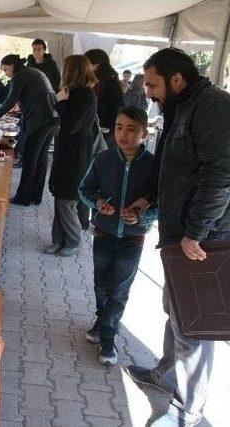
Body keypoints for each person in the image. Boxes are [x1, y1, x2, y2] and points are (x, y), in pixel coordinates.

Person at [123, 48, 230, 427]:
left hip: (202, 241)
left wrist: (195, 233)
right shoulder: (181, 108)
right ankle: (165, 376)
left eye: (153, 85)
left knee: (193, 325)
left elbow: (220, 178)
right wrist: (149, 197)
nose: (148, 92)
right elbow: (173, 164)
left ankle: (187, 409)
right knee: (175, 310)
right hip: (178, 236)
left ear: (177, 79)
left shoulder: (214, 107)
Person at [79, 106, 157, 366]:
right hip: (103, 233)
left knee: (119, 290)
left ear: (144, 133)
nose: (123, 135)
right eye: (119, 128)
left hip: (133, 240)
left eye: (132, 130)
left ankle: (108, 339)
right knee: (101, 284)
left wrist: (141, 217)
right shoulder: (103, 159)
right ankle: (101, 322)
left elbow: (161, 201)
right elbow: (84, 189)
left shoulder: (154, 166)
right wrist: (98, 203)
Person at [46, 55, 97, 257]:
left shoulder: (85, 94)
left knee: (67, 199)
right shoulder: (74, 92)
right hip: (67, 150)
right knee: (60, 196)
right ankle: (58, 240)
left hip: (76, 154)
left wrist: (61, 103)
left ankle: (74, 240)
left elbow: (70, 126)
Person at [0, 54, 58, 206]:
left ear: (12, 64)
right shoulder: (33, 72)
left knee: (29, 157)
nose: (5, 72)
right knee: (41, 158)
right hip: (51, 118)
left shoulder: (19, 76)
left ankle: (23, 197)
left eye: (5, 69)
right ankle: (36, 196)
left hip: (38, 120)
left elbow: (10, 100)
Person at [85, 49, 124, 149]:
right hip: (100, 130)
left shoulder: (110, 83)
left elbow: (116, 109)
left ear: (96, 65)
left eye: (86, 63)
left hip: (106, 132)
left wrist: (108, 129)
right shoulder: (99, 82)